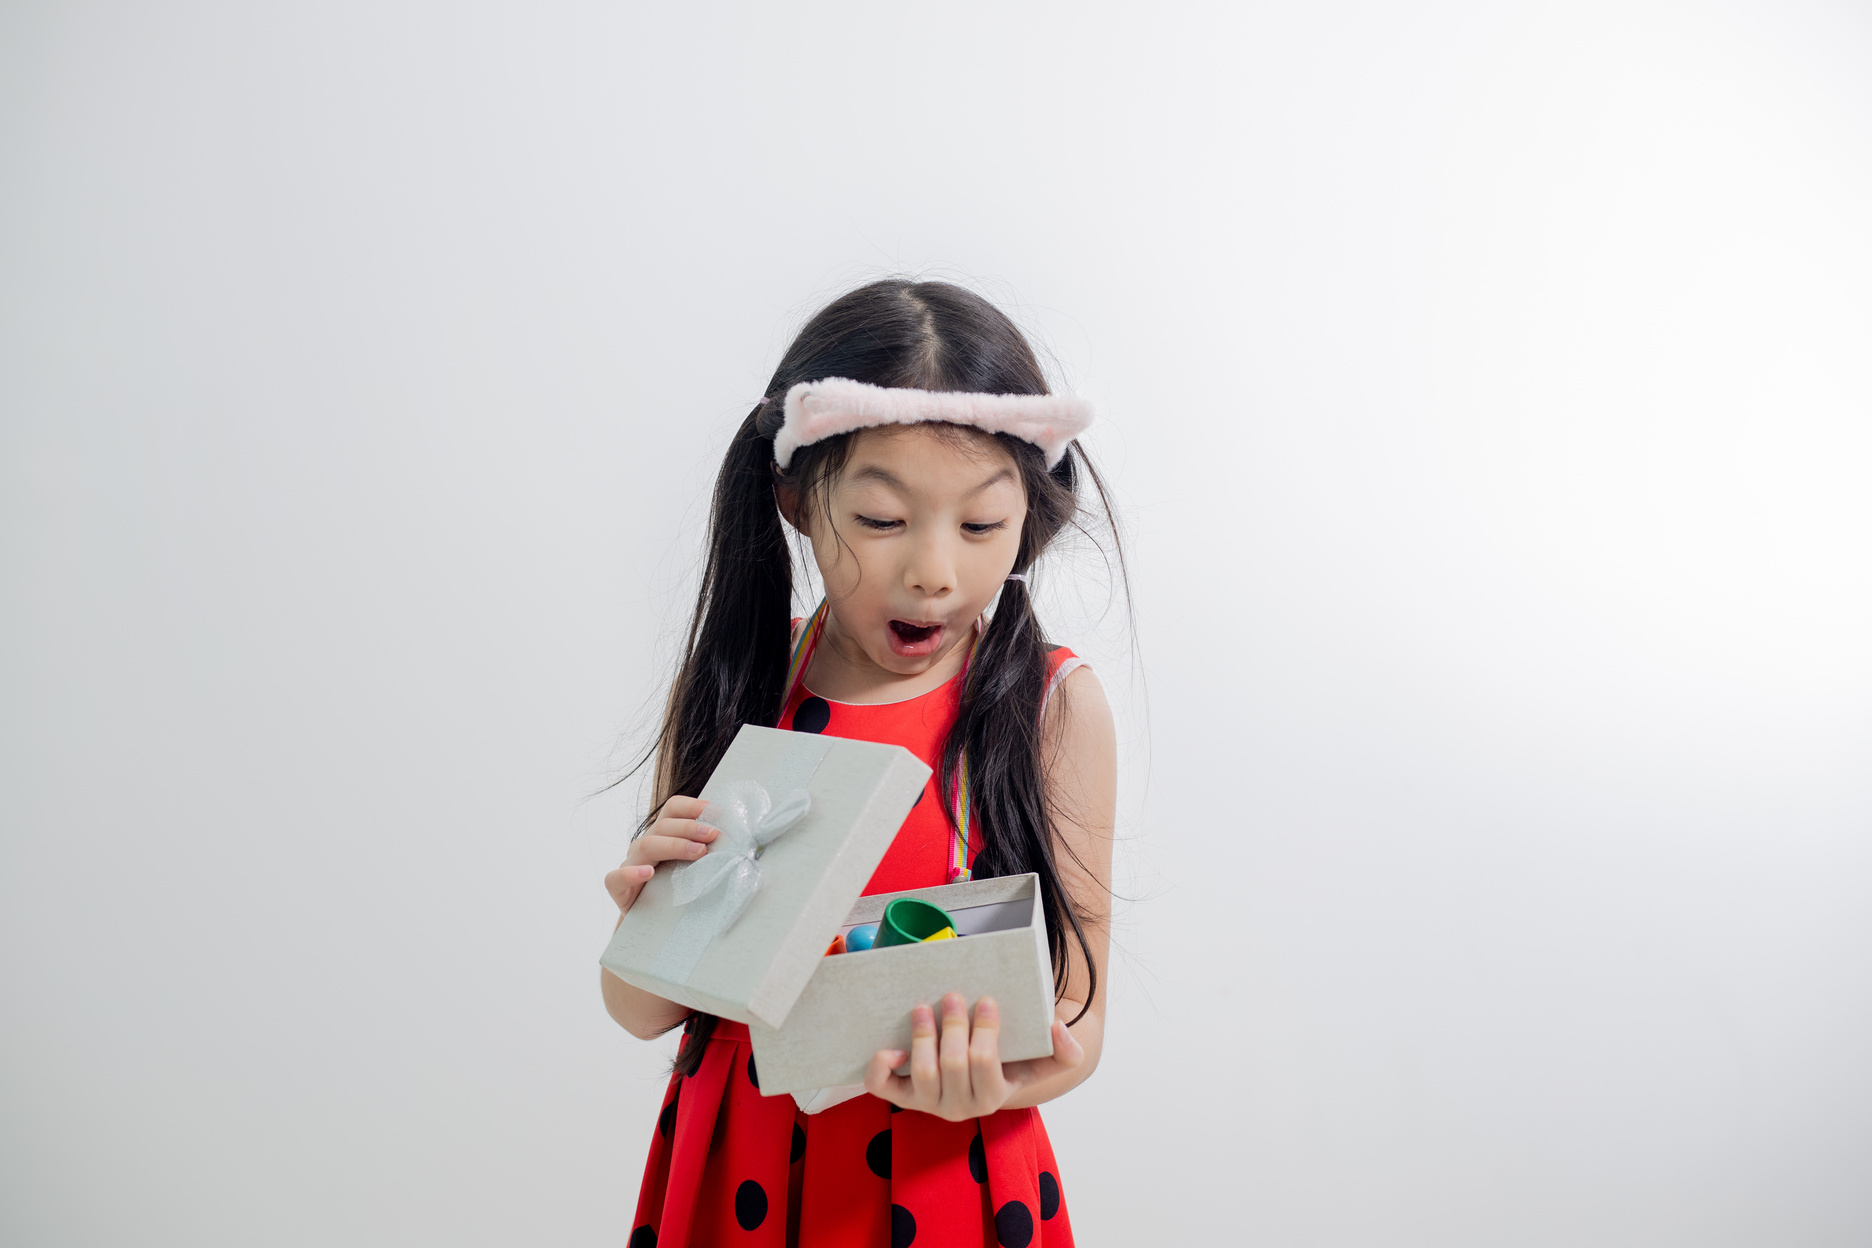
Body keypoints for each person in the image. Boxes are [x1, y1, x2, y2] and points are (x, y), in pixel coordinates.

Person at [600, 279, 1122, 1248]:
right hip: (741, 1177)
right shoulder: (745, 686)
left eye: (980, 526)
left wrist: (997, 1072)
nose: (933, 569)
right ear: (797, 499)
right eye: (883, 520)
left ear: (1030, 517)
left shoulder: (1050, 706)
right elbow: (642, 1010)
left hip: (948, 1178)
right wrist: (654, 911)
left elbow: (1078, 1015)